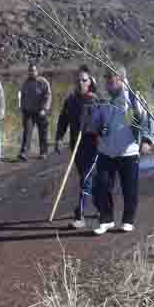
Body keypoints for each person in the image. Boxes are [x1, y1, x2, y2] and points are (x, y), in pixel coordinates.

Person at [88, 68, 154, 235]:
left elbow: (147, 119)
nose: (108, 82)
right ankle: (106, 220)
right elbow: (95, 122)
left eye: (111, 78)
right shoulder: (103, 100)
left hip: (129, 151)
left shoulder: (131, 98)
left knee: (129, 189)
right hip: (106, 151)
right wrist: (98, 128)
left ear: (122, 78)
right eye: (107, 78)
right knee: (100, 186)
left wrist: (147, 140)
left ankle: (128, 220)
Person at [54, 69, 99, 228]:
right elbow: (63, 120)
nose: (81, 83)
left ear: (90, 82)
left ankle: (80, 216)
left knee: (86, 178)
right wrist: (59, 138)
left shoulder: (96, 100)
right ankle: (101, 206)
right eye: (78, 80)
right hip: (76, 144)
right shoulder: (71, 100)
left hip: (94, 145)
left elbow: (105, 123)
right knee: (85, 179)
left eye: (84, 80)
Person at [18, 63, 52, 161]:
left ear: (37, 71)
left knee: (43, 132)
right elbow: (21, 96)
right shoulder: (25, 83)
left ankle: (43, 152)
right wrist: (22, 108)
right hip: (28, 112)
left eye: (33, 70)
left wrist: (45, 109)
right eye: (30, 71)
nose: (32, 72)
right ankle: (24, 153)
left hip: (41, 111)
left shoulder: (43, 82)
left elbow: (48, 95)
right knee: (27, 132)